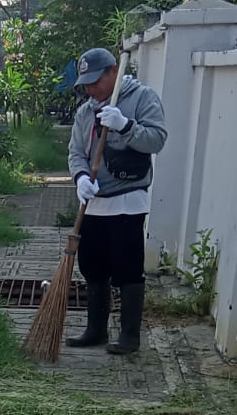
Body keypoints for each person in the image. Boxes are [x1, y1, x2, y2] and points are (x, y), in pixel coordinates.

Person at [66, 47, 168, 355]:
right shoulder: (85, 112)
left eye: (96, 81)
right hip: (94, 202)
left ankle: (129, 335)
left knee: (127, 267)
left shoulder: (142, 98)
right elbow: (76, 152)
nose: (91, 89)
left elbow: (157, 139)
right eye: (86, 84)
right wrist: (80, 178)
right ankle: (96, 329)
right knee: (92, 266)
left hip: (127, 200)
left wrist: (125, 125)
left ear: (114, 72)